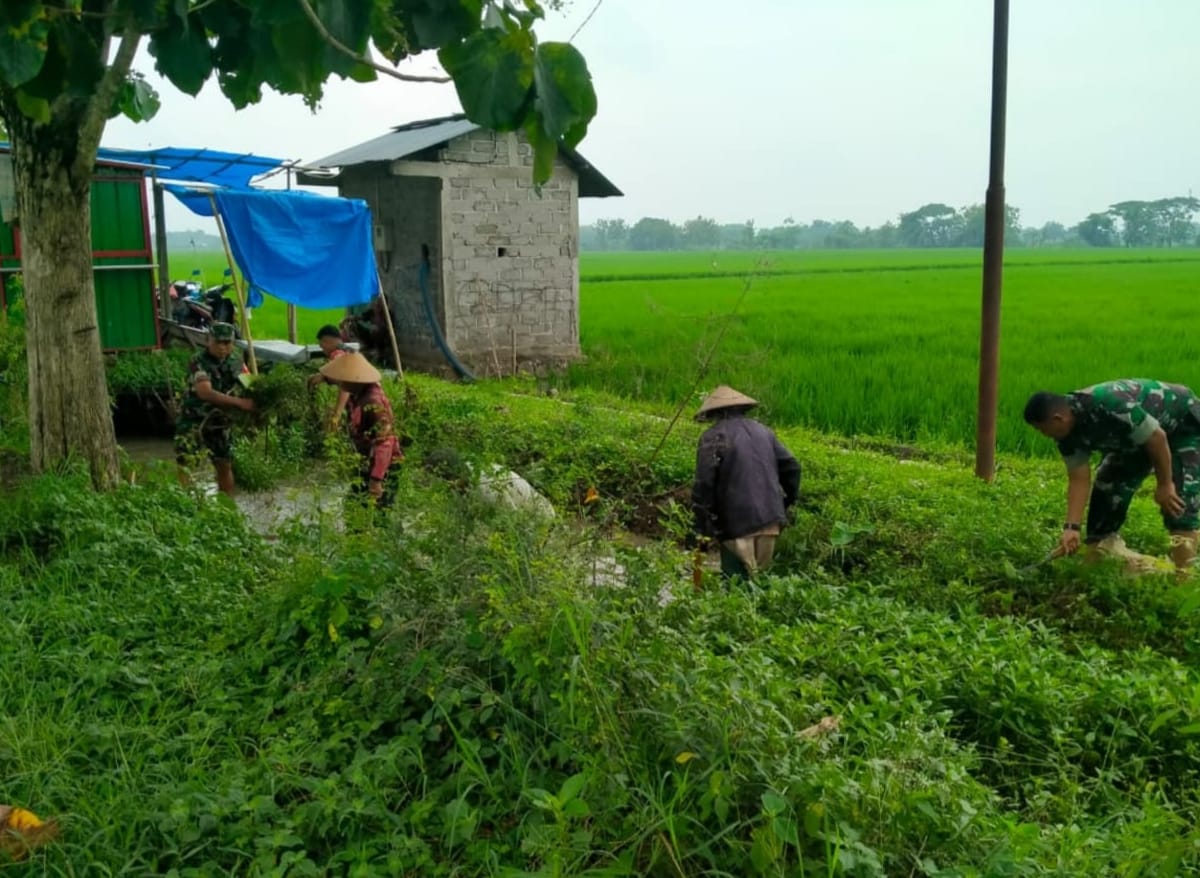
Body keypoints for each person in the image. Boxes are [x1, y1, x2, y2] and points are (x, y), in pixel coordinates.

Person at [1024, 379, 1200, 572]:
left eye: (1042, 429)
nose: (1044, 434)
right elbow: (1079, 479)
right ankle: (1101, 555)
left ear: (1058, 419)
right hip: (1136, 440)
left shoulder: (1109, 405)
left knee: (1179, 501)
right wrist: (1071, 528)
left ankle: (1184, 576)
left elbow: (1157, 438)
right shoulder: (1066, 436)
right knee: (1107, 489)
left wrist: (1165, 485)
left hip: (1181, 426)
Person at [691, 385, 802, 580]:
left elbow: (704, 485)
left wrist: (702, 528)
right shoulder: (764, 431)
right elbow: (792, 467)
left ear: (714, 413)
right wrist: (785, 502)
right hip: (770, 521)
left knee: (736, 583)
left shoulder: (712, 437)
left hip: (736, 523)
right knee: (760, 581)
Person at [174, 322, 254, 496]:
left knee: (224, 464)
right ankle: (184, 502)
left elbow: (249, 384)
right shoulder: (198, 361)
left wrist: (258, 392)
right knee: (186, 463)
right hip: (194, 419)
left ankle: (227, 504)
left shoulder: (236, 361)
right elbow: (205, 392)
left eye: (227, 343)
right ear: (209, 341)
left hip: (220, 421)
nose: (222, 347)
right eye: (218, 342)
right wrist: (240, 403)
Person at [318, 352, 403, 506]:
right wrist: (323, 378)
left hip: (383, 467)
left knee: (378, 510)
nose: (341, 385)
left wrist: (376, 480)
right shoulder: (357, 393)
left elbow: (385, 443)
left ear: (355, 379)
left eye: (344, 380)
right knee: (355, 505)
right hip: (366, 460)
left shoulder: (372, 403)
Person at [308, 324, 351, 426]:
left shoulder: (337, 354)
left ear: (326, 341)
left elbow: (346, 383)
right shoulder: (346, 350)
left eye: (322, 346)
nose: (322, 350)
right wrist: (324, 376)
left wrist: (337, 414)